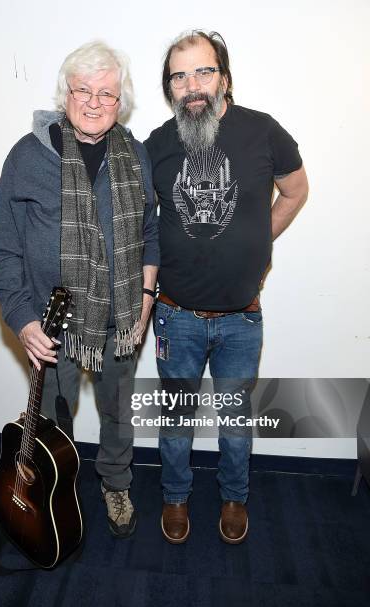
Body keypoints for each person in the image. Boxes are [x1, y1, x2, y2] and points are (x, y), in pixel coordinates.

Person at [0, 41, 159, 538]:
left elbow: (150, 234)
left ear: (119, 101)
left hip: (121, 320)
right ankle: (52, 493)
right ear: (65, 94)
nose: (92, 101)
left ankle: (116, 485)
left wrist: (145, 303)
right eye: (82, 89)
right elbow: (1, 251)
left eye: (106, 92)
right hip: (54, 326)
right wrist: (22, 319)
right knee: (51, 425)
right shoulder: (27, 156)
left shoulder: (136, 154)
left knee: (118, 414)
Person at [144, 30, 308, 545]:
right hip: (175, 316)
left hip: (242, 317)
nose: (192, 85)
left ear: (225, 79)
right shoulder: (156, 144)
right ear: (170, 89)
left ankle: (235, 496)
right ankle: (174, 497)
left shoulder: (264, 132)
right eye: (180, 75)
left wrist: (258, 238)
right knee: (175, 422)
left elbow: (296, 191)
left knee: (236, 421)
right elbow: (144, 223)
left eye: (203, 71)